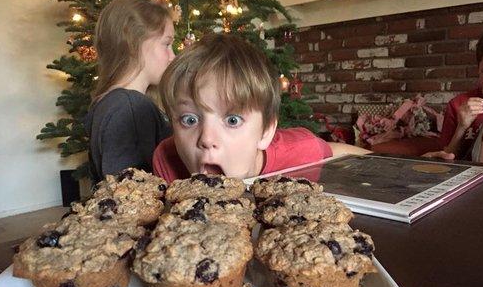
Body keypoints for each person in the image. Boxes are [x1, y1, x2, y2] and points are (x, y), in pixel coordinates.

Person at [152, 33, 369, 183]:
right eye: (189, 120)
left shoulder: (300, 149)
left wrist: (392, 164)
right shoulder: (167, 159)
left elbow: (336, 151)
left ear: (265, 131)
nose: (206, 139)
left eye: (232, 120)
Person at [84, 0, 175, 183]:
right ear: (133, 43)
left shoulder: (108, 102)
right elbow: (129, 193)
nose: (172, 56)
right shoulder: (129, 106)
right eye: (167, 44)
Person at [425, 28, 483, 162]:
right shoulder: (457, 104)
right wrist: (462, 127)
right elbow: (446, 157)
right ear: (477, 69)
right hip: (468, 173)